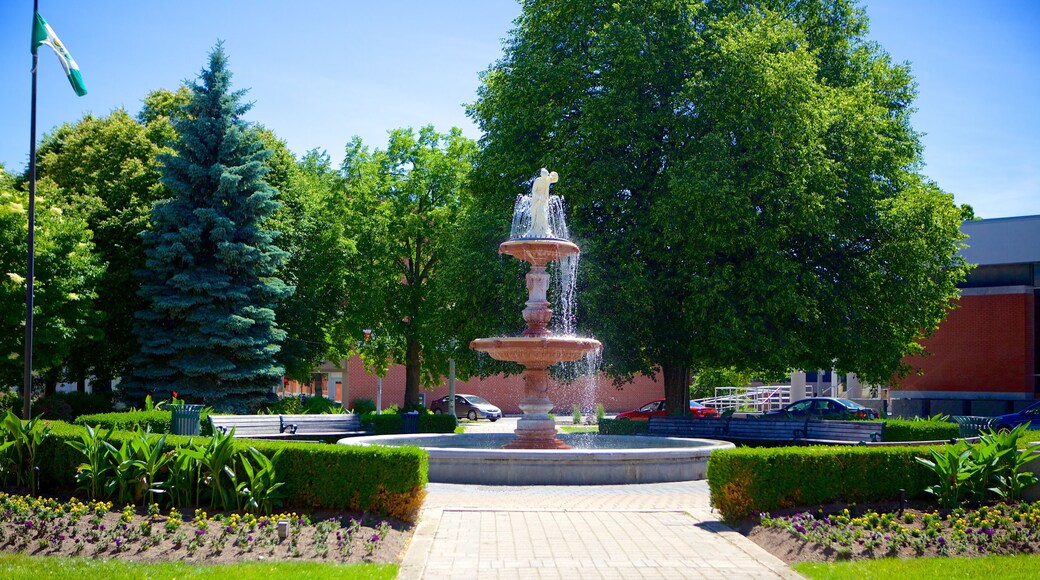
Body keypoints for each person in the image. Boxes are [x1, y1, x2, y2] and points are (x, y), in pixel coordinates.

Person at [528, 167, 558, 237]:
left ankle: (544, 229)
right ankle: (534, 228)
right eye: (544, 177)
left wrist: (554, 174)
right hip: (536, 199)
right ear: (541, 175)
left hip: (544, 199)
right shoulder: (537, 181)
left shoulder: (547, 179)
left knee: (543, 212)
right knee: (535, 214)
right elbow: (533, 191)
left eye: (546, 176)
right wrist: (540, 196)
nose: (545, 178)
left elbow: (556, 180)